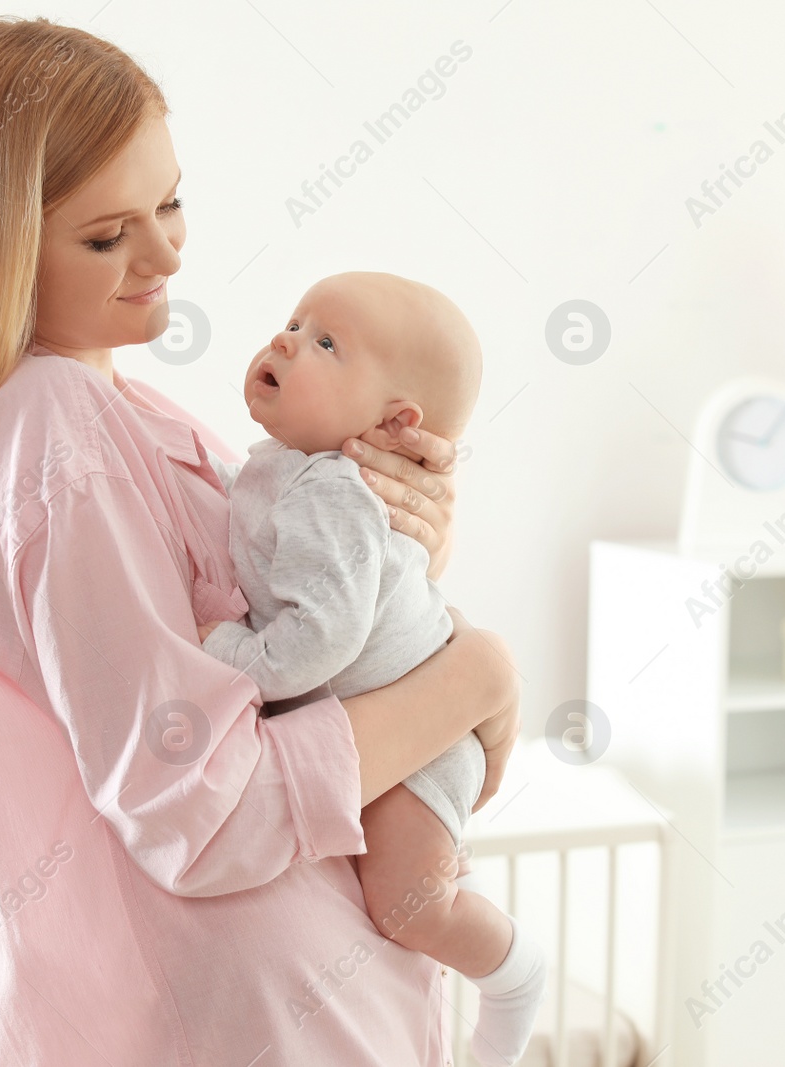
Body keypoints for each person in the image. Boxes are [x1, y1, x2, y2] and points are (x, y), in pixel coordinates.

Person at [0, 16, 521, 1066]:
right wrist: (472, 677)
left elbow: (300, 655)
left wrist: (412, 549)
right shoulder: (55, 433)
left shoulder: (150, 425)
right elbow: (202, 808)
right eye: (105, 234)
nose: (168, 252)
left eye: (171, 202)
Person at [196, 271, 544, 1066]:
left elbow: (324, 637)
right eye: (293, 320)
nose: (286, 339)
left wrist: (230, 653)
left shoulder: (337, 494)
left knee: (406, 905)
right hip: (406, 713)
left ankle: (517, 972)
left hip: (423, 741)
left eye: (325, 344)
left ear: (395, 423)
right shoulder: (281, 467)